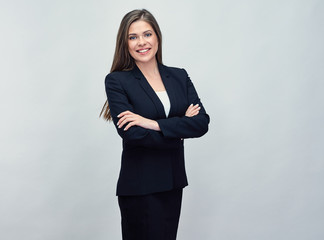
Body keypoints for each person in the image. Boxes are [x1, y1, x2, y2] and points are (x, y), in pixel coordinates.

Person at [100, 9, 210, 240]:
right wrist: (179, 130)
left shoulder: (179, 76)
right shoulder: (117, 81)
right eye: (133, 37)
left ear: (157, 37)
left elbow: (201, 123)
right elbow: (133, 135)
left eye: (147, 34)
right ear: (125, 43)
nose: (141, 42)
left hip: (172, 182)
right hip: (140, 185)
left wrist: (153, 124)